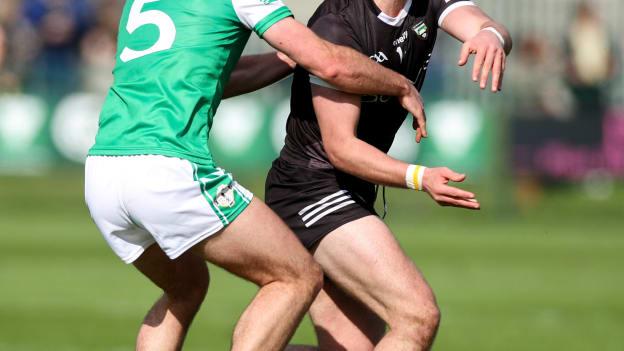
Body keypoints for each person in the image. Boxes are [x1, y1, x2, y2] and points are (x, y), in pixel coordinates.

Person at [84, 0, 433, 350]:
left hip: (103, 171)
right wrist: (401, 85)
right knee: (295, 278)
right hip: (167, 168)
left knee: (185, 289)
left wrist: (289, 58)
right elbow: (331, 65)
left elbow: (211, 76)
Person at [262, 0, 512, 350]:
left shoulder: (428, 4)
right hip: (311, 190)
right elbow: (341, 147)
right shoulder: (338, 23)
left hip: (352, 191)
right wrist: (419, 177)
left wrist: (491, 37)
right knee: (417, 315)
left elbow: (486, 26)